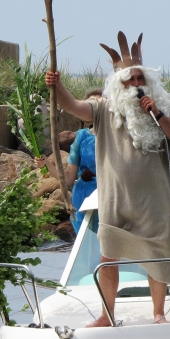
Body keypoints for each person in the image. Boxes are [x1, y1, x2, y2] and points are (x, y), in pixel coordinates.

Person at [45, 32, 170, 326]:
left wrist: (157, 114)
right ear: (118, 84)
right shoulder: (102, 110)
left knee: (157, 256)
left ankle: (158, 313)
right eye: (130, 80)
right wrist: (57, 86)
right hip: (115, 198)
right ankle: (107, 315)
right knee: (108, 257)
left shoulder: (161, 110)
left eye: (140, 79)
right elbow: (72, 106)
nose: (136, 84)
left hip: (155, 198)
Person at [64, 89, 102, 233]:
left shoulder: (118, 136)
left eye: (99, 103)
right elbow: (68, 179)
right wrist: (46, 163)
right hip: (84, 195)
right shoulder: (82, 137)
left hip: (108, 194)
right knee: (85, 240)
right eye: (91, 104)